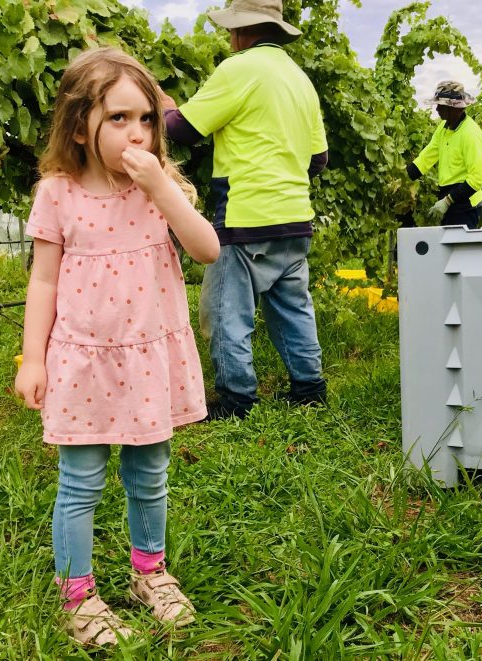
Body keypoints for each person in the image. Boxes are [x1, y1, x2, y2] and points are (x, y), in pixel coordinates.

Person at [14, 47, 220, 646]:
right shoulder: (59, 192)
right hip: (83, 361)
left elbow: (206, 249)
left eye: (148, 118)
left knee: (150, 473)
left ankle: (148, 574)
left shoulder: (160, 188)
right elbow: (44, 279)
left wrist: (160, 186)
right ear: (80, 126)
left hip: (148, 356)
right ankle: (77, 592)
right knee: (81, 480)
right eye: (119, 118)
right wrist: (32, 358)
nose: (138, 132)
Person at [162, 0, 329, 421]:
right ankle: (310, 391)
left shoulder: (237, 69)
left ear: (240, 31)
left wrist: (163, 104)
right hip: (295, 219)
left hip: (245, 220)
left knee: (226, 314)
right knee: (293, 308)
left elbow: (182, 130)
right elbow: (318, 160)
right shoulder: (300, 79)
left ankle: (238, 403)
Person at [406, 81, 482, 228]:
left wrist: (448, 201)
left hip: (465, 202)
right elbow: (426, 158)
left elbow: (476, 180)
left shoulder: (471, 134)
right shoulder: (443, 129)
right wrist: (403, 179)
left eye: (441, 105)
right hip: (448, 197)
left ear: (454, 108)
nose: (437, 109)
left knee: (460, 250)